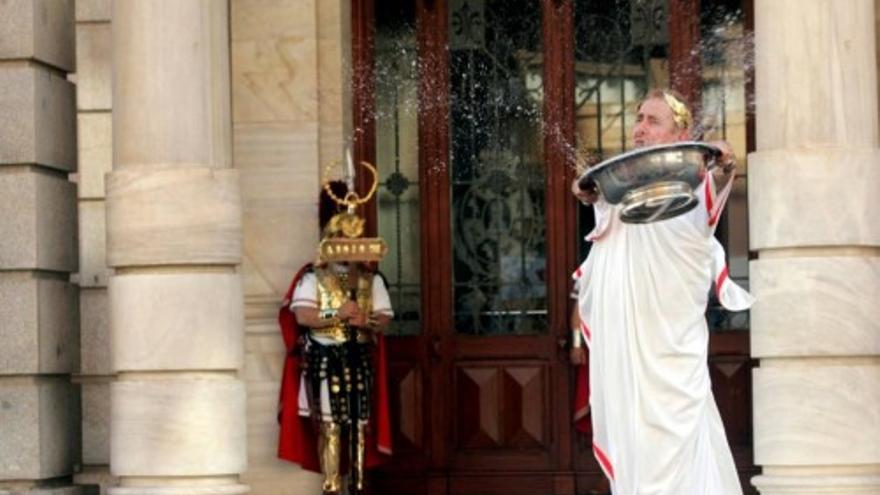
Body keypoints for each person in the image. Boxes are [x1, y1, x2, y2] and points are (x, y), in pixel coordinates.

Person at [571, 89, 754, 494]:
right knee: (637, 445)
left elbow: (722, 173)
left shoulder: (693, 187)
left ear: (680, 133)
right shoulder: (618, 197)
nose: (639, 130)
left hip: (674, 355)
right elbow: (597, 244)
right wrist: (587, 193)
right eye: (638, 120)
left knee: (681, 447)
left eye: (653, 121)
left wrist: (723, 157)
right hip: (631, 355)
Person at [277, 180, 393, 495]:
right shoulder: (312, 277)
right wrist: (336, 315)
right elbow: (303, 316)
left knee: (357, 426)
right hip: (325, 361)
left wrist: (364, 319)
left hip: (359, 358)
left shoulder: (371, 279)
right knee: (330, 427)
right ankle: (331, 487)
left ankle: (355, 486)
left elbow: (383, 318)